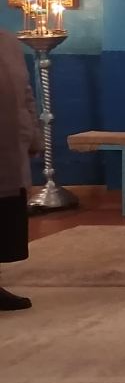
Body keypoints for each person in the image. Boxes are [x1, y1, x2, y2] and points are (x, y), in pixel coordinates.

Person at [0, 28, 41, 311]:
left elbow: (25, 93)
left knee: (4, 215)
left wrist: (33, 134)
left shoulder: (7, 42)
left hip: (9, 144)